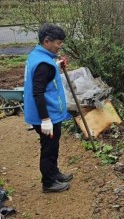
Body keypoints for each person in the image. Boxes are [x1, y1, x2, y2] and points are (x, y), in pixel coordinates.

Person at [24, 24, 73, 193]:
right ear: (47, 41)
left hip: (48, 114)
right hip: (46, 116)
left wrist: (56, 66)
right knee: (49, 149)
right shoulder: (43, 64)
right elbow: (38, 93)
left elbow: (44, 77)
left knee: (53, 146)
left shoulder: (38, 56)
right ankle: (49, 182)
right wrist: (45, 120)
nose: (60, 46)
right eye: (58, 43)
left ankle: (54, 172)